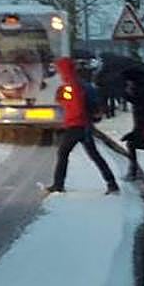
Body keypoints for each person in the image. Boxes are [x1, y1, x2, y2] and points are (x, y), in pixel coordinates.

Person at [46, 57, 119, 195]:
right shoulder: (76, 83)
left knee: (63, 153)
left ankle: (58, 184)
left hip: (76, 125)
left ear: (64, 69)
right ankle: (112, 183)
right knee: (94, 155)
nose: (58, 72)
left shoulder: (70, 86)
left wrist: (62, 100)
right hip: (84, 125)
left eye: (59, 69)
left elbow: (74, 106)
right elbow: (71, 101)